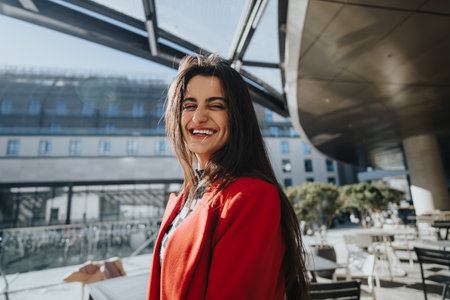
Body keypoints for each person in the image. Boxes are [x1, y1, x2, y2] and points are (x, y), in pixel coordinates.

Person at [147, 54, 310, 300]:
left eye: (215, 106)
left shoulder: (251, 197)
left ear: (237, 118)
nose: (198, 117)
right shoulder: (186, 198)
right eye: (189, 105)